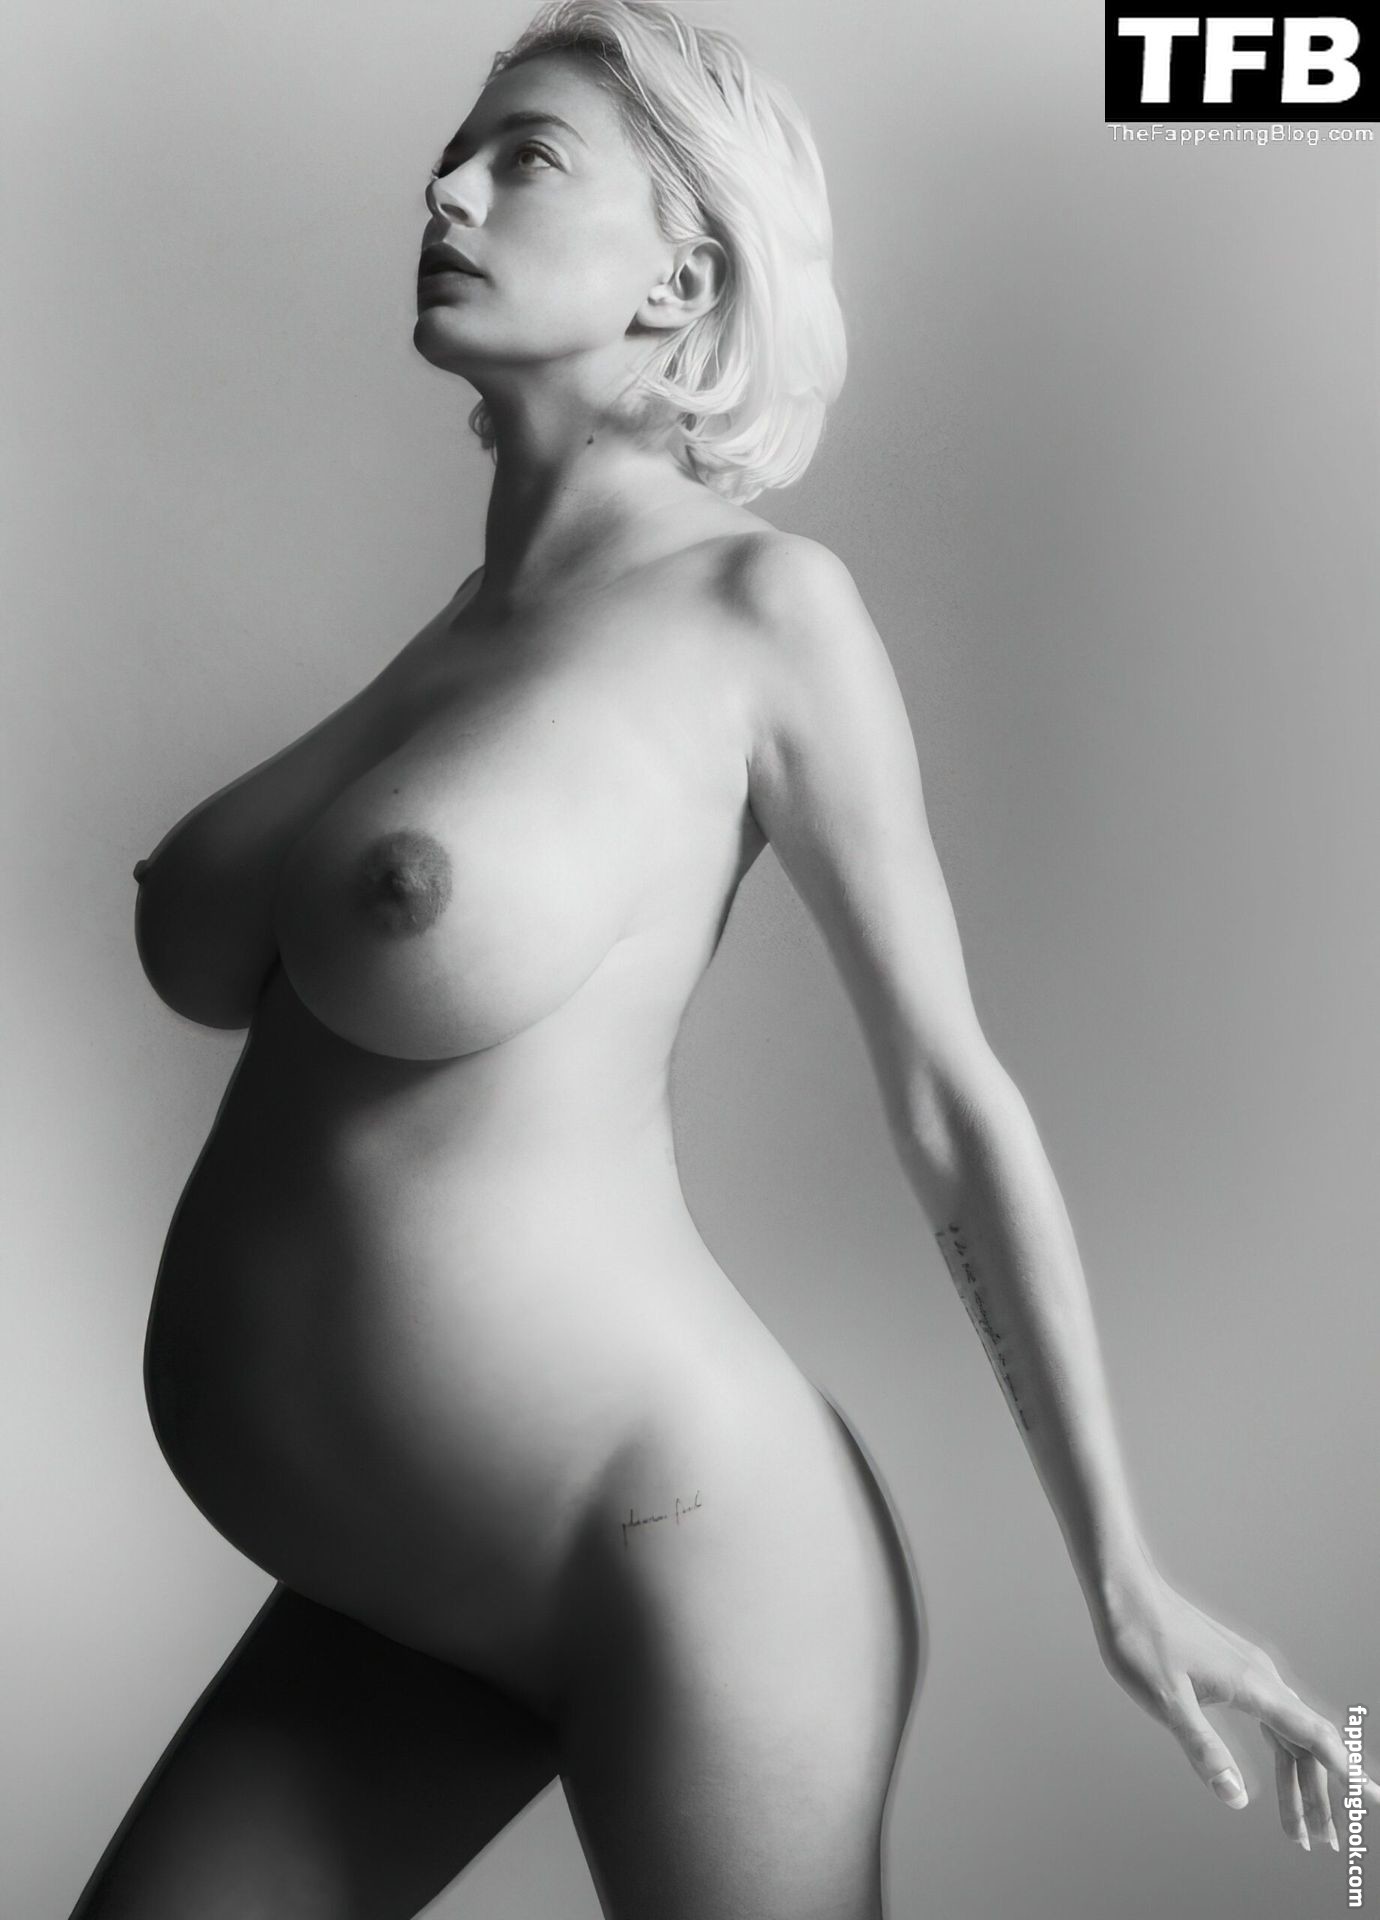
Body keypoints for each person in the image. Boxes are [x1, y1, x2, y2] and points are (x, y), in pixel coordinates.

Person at [73, 3, 1376, 1915]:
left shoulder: (764, 612)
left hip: (685, 1559)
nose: (447, 190)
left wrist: (1120, 1568)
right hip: (409, 1589)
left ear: (683, 273)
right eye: (454, 153)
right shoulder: (464, 629)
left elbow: (946, 1099)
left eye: (526, 157)